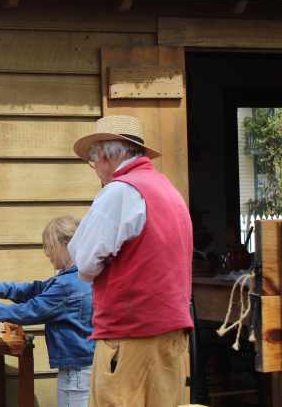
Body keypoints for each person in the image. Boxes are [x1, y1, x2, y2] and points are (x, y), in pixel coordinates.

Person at [67, 115, 193, 407]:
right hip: (171, 335)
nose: (93, 167)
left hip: (130, 335)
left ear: (106, 155)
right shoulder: (168, 190)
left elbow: (84, 262)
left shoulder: (120, 191)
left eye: (92, 159)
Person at [0, 216, 94, 407]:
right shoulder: (79, 276)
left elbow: (30, 311)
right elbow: (36, 290)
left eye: (50, 246)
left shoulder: (67, 285)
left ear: (67, 245)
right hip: (83, 366)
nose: (47, 253)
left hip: (76, 371)